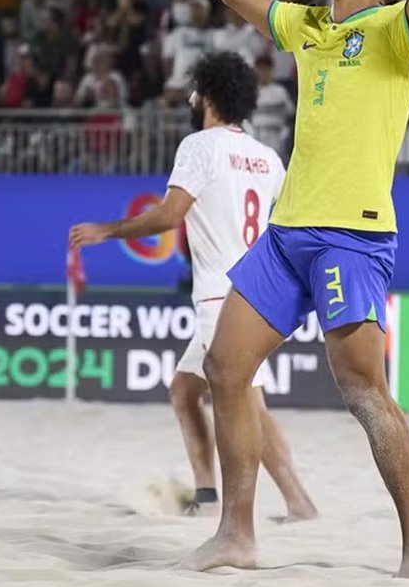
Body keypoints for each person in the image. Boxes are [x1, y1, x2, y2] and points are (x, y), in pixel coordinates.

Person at [147, 0, 409, 577]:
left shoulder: (395, 29)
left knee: (362, 391)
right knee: (225, 368)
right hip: (287, 236)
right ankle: (237, 534)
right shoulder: (313, 30)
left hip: (352, 238)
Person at [69, 51, 317, 520]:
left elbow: (169, 215)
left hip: (221, 297)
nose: (190, 99)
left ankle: (298, 503)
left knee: (249, 405)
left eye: (193, 92)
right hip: (258, 292)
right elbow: (286, 225)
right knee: (185, 391)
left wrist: (108, 229)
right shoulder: (267, 157)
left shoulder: (199, 146)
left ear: (206, 96)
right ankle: (207, 496)